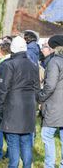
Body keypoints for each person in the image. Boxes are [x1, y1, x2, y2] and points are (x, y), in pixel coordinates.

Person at [0, 36, 39, 168]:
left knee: (13, 143)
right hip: (28, 107)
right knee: (26, 142)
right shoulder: (33, 65)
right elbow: (37, 88)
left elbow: (4, 88)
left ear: (13, 49)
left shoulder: (10, 64)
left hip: (13, 107)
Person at [37, 35, 63, 168]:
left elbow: (50, 85)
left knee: (47, 135)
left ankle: (49, 165)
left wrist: (40, 97)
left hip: (55, 106)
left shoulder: (54, 62)